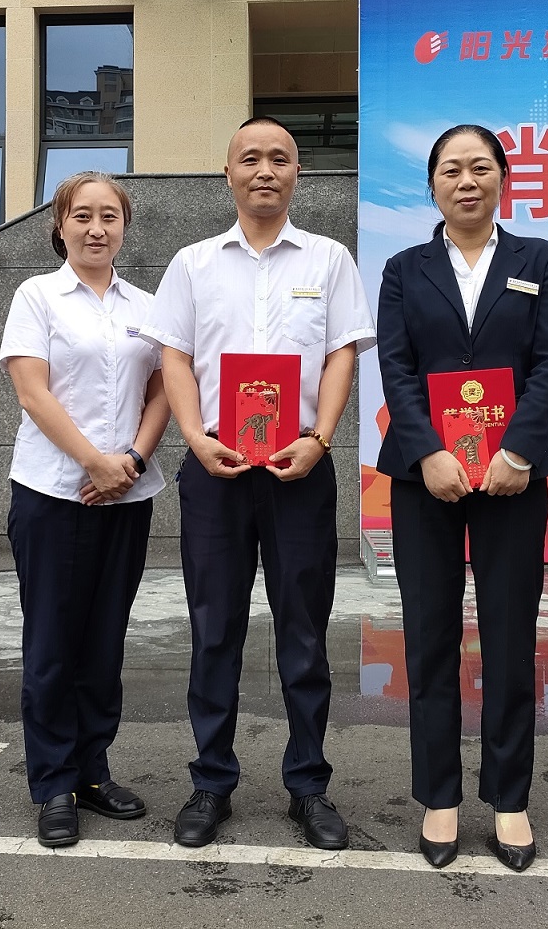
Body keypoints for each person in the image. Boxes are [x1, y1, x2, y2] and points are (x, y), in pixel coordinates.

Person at [140, 117, 376, 851]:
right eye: (250, 158)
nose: (264, 169)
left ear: (298, 173)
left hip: (299, 468)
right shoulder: (192, 264)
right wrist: (195, 438)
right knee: (215, 629)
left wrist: (319, 439)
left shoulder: (330, 259)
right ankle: (211, 780)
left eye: (280, 158)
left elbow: (342, 355)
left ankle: (308, 784)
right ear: (228, 173)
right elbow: (174, 358)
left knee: (304, 632)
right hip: (216, 468)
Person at [375, 124, 548, 872]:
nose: (467, 181)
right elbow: (397, 366)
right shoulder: (404, 269)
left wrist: (517, 452)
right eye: (452, 169)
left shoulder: (538, 261)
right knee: (429, 636)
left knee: (509, 634)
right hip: (425, 476)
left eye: (480, 168)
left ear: (502, 179)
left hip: (514, 475)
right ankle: (439, 795)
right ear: (432, 185)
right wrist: (427, 451)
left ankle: (510, 797)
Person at [0, 172, 171, 848]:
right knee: (52, 644)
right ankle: (52, 784)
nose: (97, 228)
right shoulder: (37, 296)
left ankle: (93, 771)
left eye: (110, 216)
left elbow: (163, 390)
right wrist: (93, 462)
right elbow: (33, 392)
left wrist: (129, 461)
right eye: (83, 216)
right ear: (60, 225)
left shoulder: (147, 306)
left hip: (126, 496)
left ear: (124, 227)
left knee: (103, 642)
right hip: (51, 494)